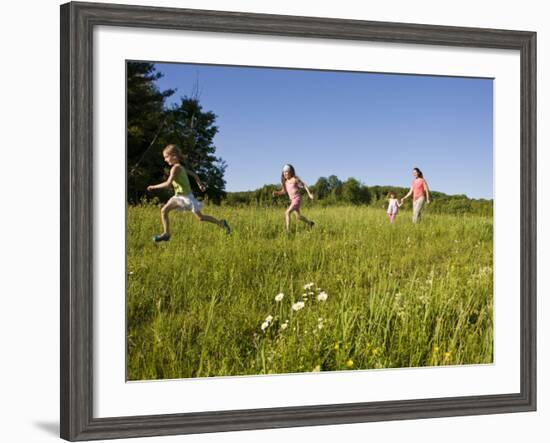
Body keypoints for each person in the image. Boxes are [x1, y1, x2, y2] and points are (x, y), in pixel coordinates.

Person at [147, 144, 230, 242]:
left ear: (173, 156)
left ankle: (221, 223)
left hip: (186, 197)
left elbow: (168, 184)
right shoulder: (180, 167)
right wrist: (200, 184)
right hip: (178, 197)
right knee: (164, 210)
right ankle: (166, 234)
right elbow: (194, 175)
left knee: (201, 218)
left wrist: (153, 187)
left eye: (166, 157)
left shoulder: (176, 168)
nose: (165, 159)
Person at [272, 164, 314, 232]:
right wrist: (277, 193)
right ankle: (310, 223)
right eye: (284, 172)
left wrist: (309, 194)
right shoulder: (285, 182)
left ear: (290, 172)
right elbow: (284, 191)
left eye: (287, 172)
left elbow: (304, 185)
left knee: (287, 212)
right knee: (299, 217)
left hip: (297, 199)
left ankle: (288, 231)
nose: (285, 173)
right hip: (292, 201)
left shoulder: (294, 180)